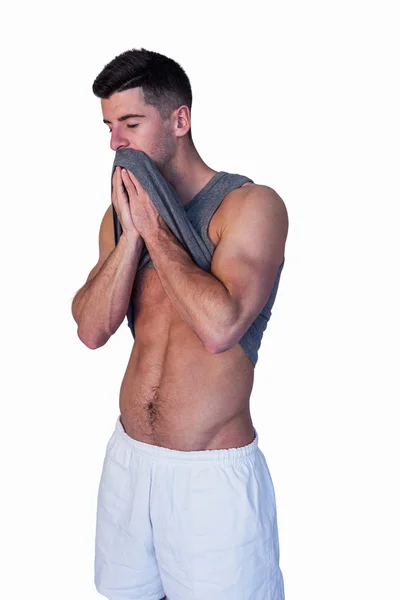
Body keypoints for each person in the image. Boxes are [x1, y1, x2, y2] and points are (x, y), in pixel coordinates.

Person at [71, 47, 289, 600]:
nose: (116, 144)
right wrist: (132, 236)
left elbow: (221, 328)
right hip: (129, 464)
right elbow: (91, 329)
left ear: (180, 120)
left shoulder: (249, 207)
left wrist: (157, 230)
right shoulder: (121, 218)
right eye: (109, 127)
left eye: (131, 124)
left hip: (210, 482)